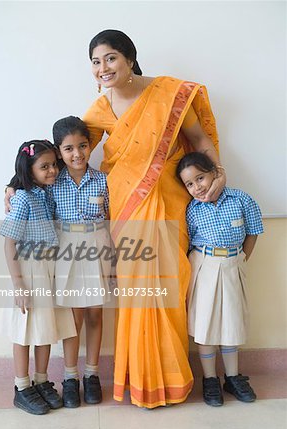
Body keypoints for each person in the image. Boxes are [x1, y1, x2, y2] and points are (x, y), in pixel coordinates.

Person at [82, 29, 226, 408]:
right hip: (128, 209)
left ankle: (173, 377)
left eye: (110, 58)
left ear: (129, 58)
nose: (103, 68)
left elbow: (201, 140)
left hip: (170, 202)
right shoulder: (99, 109)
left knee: (169, 289)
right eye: (96, 62)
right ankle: (141, 380)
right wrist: (21, 181)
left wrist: (220, 173)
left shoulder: (169, 93)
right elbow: (73, 154)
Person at [176, 151, 263, 406]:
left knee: (231, 322)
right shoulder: (192, 210)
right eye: (189, 184)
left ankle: (233, 378)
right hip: (204, 265)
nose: (196, 187)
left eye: (200, 178)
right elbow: (189, 240)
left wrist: (242, 259)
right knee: (206, 324)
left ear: (215, 173)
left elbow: (253, 232)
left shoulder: (241, 199)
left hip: (233, 264)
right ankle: (210, 379)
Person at [0, 140, 77, 415]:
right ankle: (21, 386)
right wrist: (19, 283)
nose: (52, 171)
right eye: (44, 167)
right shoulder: (21, 198)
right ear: (28, 169)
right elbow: (9, 243)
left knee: (45, 327)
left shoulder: (46, 193)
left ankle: (41, 380)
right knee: (24, 330)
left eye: (53, 165)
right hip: (29, 270)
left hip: (49, 268)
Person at [51, 116, 111, 406]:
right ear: (58, 151)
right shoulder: (53, 182)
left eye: (83, 146)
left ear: (90, 145)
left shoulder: (103, 180)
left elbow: (112, 221)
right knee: (73, 317)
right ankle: (71, 376)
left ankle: (92, 374)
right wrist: (9, 189)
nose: (77, 154)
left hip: (97, 246)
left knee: (95, 314)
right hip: (66, 249)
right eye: (69, 148)